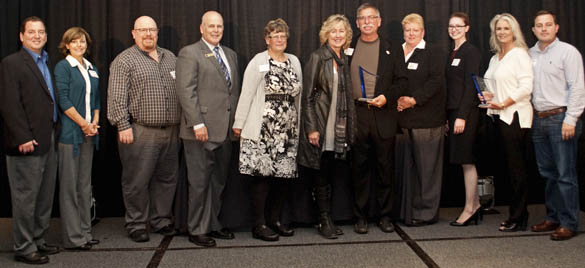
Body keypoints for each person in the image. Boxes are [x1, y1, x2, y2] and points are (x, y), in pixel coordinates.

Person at [107, 16, 180, 242]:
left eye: (152, 30)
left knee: (167, 179)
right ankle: (137, 223)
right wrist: (122, 124)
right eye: (143, 30)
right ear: (133, 33)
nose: (148, 34)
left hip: (171, 131)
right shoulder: (124, 61)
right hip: (139, 131)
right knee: (137, 180)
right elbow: (116, 97)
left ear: (157, 32)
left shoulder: (171, 58)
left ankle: (161, 220)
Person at [176, 10, 241, 247]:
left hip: (225, 131)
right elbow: (185, 91)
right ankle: (196, 228)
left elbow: (232, 93)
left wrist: (237, 123)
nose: (216, 30)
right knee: (199, 182)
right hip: (200, 131)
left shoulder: (231, 55)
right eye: (211, 26)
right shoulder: (189, 53)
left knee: (218, 182)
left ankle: (213, 224)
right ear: (201, 28)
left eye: (219, 26)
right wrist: (197, 123)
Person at [233, 18, 302, 241]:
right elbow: (247, 93)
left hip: (287, 130)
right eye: (275, 36)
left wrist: (297, 124)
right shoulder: (258, 61)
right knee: (262, 177)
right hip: (263, 129)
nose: (279, 39)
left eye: (283, 36)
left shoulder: (294, 61)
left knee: (283, 177)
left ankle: (275, 220)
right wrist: (239, 123)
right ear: (267, 39)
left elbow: (298, 97)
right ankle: (259, 224)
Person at [0, 16, 60, 264]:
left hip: (48, 139)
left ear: (46, 36)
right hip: (26, 143)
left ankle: (38, 239)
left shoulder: (46, 61)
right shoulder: (12, 63)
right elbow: (9, 104)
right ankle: (24, 247)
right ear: (21, 36)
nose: (37, 36)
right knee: (26, 198)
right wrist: (22, 136)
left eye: (41, 32)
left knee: (44, 196)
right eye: (31, 32)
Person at [347, 3, 408, 234]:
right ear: (357, 22)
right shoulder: (347, 46)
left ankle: (385, 216)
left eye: (371, 18)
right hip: (357, 114)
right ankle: (360, 216)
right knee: (359, 169)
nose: (367, 22)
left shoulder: (392, 48)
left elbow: (402, 81)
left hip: (383, 114)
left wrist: (387, 97)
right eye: (362, 18)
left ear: (379, 21)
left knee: (385, 169)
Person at [298, 14, 356, 239]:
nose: (338, 35)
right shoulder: (317, 57)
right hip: (322, 124)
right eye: (334, 31)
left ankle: (327, 217)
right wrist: (312, 128)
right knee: (321, 173)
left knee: (330, 172)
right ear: (326, 34)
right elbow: (308, 97)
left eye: (342, 31)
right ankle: (324, 219)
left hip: (337, 126)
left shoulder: (343, 58)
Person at [529, 10, 585, 240]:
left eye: (548, 25)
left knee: (565, 174)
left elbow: (577, 87)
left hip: (561, 119)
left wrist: (571, 119)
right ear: (533, 30)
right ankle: (553, 217)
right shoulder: (529, 54)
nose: (544, 29)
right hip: (538, 119)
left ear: (556, 27)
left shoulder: (568, 52)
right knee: (547, 173)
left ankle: (569, 222)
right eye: (539, 25)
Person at [482, 13, 533, 232]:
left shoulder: (520, 55)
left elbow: (526, 87)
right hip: (497, 117)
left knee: (517, 171)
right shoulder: (496, 57)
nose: (502, 32)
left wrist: (504, 103)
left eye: (506, 28)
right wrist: (488, 96)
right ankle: (517, 213)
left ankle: (519, 216)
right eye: (498, 29)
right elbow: (492, 86)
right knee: (508, 170)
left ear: (514, 31)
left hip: (515, 117)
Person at [396, 13, 446, 226]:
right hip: (402, 120)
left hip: (427, 119)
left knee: (427, 171)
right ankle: (408, 212)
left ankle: (426, 214)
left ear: (423, 32)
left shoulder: (433, 52)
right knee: (409, 171)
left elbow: (436, 81)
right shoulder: (398, 51)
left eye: (415, 30)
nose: (411, 34)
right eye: (408, 30)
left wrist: (414, 100)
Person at [54, 27, 100, 250]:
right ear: (67, 45)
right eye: (75, 42)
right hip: (71, 135)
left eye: (82, 42)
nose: (79, 45)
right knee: (70, 188)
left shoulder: (91, 68)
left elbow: (97, 100)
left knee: (84, 186)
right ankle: (73, 238)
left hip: (89, 135)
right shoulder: (63, 67)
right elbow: (63, 100)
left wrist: (94, 124)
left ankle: (85, 232)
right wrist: (83, 124)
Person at [444, 12, 482, 226]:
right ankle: (473, 203)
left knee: (467, 161)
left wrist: (461, 116)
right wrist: (450, 117)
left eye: (459, 26)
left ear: (467, 28)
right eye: (451, 26)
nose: (454, 29)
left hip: (466, 113)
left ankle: (470, 207)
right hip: (454, 113)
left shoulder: (471, 51)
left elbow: (471, 85)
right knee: (463, 161)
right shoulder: (453, 52)